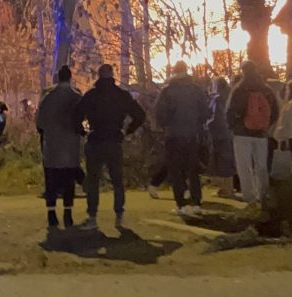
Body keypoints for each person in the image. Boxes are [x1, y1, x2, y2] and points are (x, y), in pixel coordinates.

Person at [73, 64, 146, 230]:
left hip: (96, 139)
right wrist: (126, 131)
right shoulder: (121, 95)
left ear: (99, 76)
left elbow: (76, 115)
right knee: (117, 180)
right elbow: (140, 115)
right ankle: (119, 216)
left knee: (93, 180)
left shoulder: (91, 95)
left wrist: (83, 132)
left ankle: (92, 217)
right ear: (112, 76)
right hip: (114, 140)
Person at [155, 61, 209, 215]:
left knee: (176, 169)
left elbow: (160, 114)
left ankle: (181, 202)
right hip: (193, 134)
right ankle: (196, 201)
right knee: (193, 169)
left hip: (174, 134)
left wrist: (165, 125)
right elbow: (205, 113)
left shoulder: (167, 91)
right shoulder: (197, 90)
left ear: (174, 72)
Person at [226, 60, 279, 205]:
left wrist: (233, 127)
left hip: (242, 133)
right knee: (261, 166)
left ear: (243, 71)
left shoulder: (239, 89)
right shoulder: (266, 89)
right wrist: (266, 125)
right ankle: (263, 195)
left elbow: (230, 111)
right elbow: (275, 111)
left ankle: (249, 197)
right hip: (261, 134)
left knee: (244, 166)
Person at [36, 65, 83, 229]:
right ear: (70, 78)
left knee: (51, 181)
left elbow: (40, 123)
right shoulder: (76, 97)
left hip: (52, 147)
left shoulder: (47, 98)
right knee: (69, 181)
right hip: (70, 147)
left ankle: (51, 214)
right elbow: (81, 121)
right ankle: (68, 214)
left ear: (58, 78)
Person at [206, 77, 236, 198]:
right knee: (228, 159)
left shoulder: (216, 99)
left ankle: (226, 189)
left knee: (221, 160)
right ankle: (229, 187)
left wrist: (207, 125)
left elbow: (212, 115)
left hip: (219, 133)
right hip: (230, 132)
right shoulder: (231, 96)